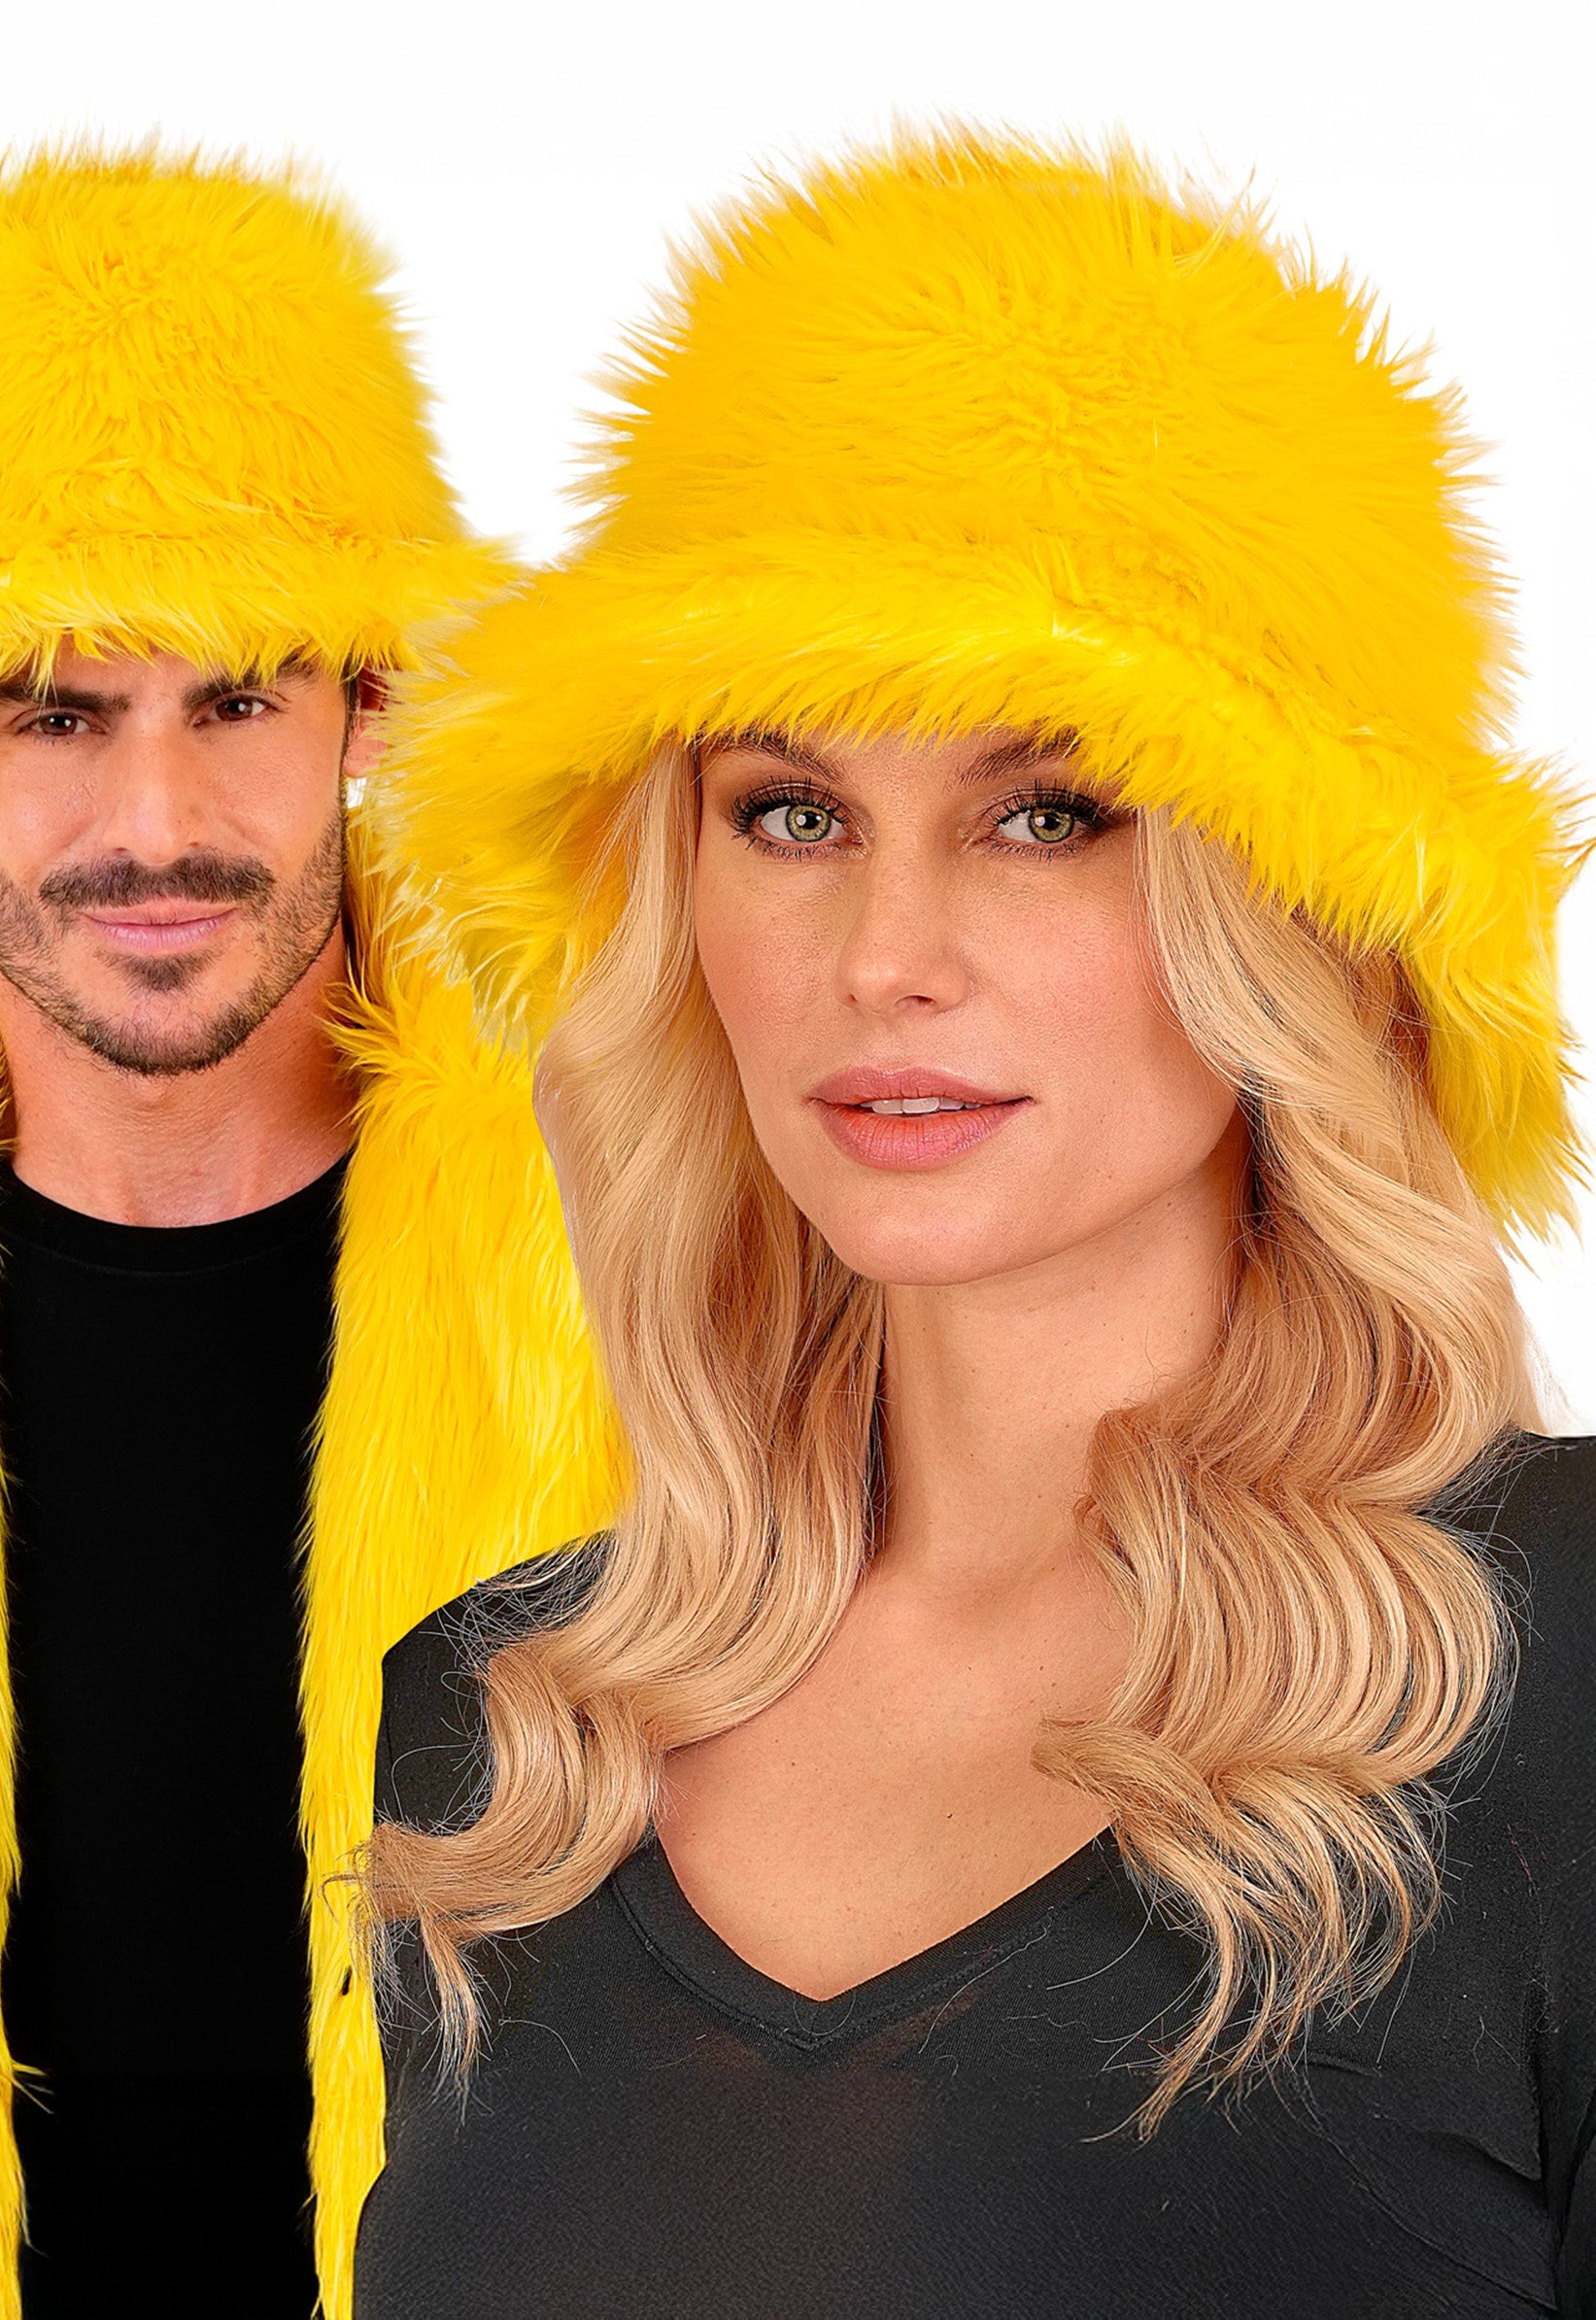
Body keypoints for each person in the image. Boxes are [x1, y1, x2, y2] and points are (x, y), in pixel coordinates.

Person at [357, 135, 1593, 2315]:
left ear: (1295, 917)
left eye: (1046, 813)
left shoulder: (1553, 1663)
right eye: (789, 812)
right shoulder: (513, 1736)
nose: (883, 957)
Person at [0, 150, 614, 2319]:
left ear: (366, 705)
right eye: (54, 714)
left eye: (236, 699)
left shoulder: (653, 1240)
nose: (153, 825)